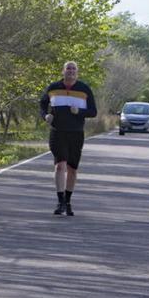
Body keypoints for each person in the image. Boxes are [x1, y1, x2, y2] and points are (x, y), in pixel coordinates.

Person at [39, 61, 98, 216]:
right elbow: (42, 104)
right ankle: (60, 202)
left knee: (72, 168)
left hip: (76, 133)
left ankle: (68, 201)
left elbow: (93, 112)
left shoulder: (84, 89)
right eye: (68, 69)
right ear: (63, 71)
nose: (71, 71)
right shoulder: (53, 88)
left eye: (73, 69)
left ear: (77, 72)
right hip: (57, 131)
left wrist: (79, 111)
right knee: (60, 165)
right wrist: (45, 115)